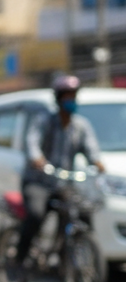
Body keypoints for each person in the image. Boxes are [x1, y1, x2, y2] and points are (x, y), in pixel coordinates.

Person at [17, 74, 104, 266]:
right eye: (67, 96)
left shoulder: (81, 126)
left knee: (81, 212)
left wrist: (97, 163)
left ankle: (68, 257)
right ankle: (20, 258)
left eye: (73, 96)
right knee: (36, 215)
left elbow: (92, 151)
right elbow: (32, 143)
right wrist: (37, 159)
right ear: (58, 98)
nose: (70, 101)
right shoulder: (43, 121)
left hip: (62, 183)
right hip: (37, 182)